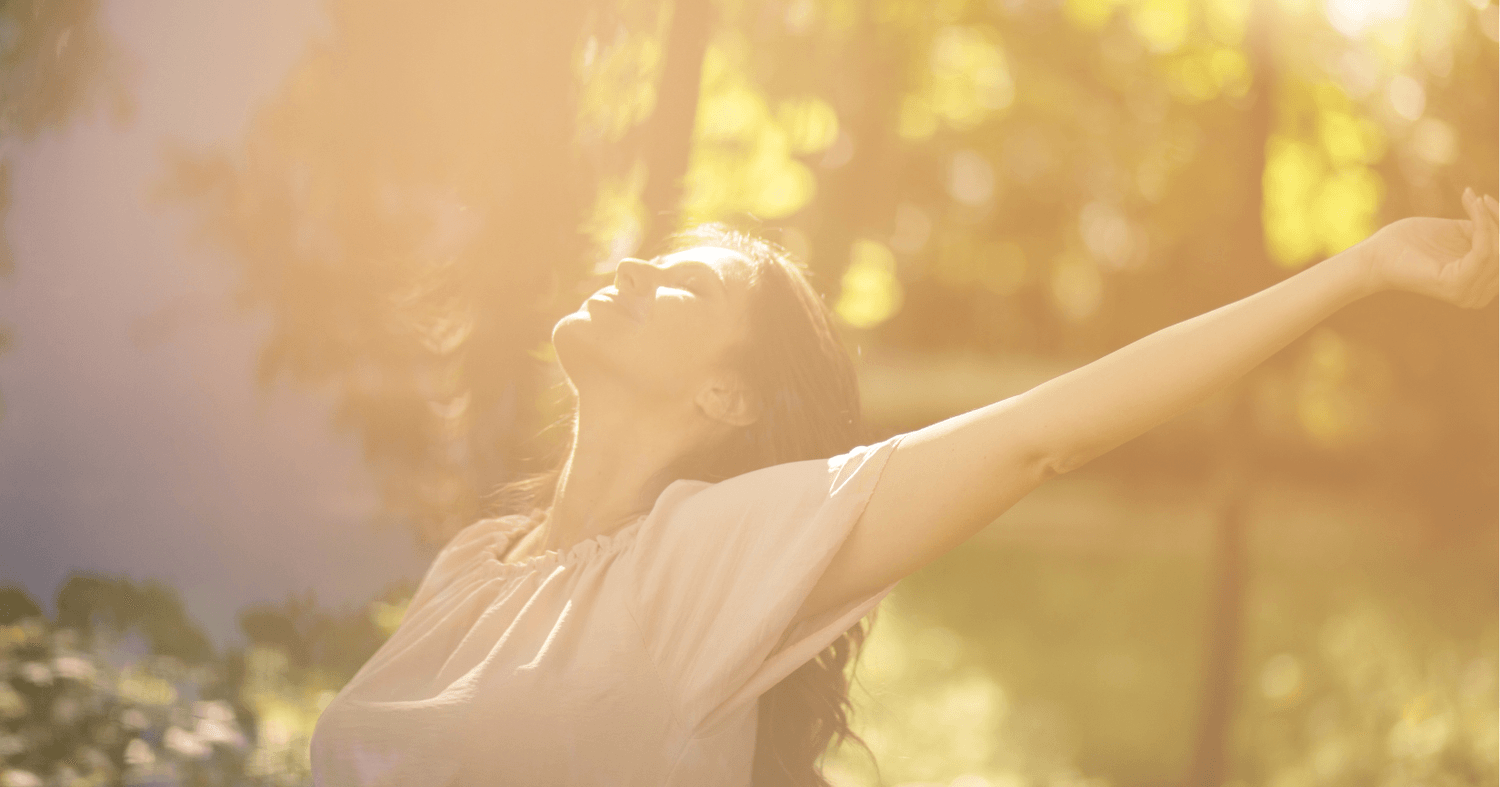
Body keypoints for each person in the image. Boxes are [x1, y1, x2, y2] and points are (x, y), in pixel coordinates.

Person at [309, 189, 1498, 786]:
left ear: (727, 402)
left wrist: (1362, 269)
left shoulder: (703, 561)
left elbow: (1043, 434)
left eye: (684, 286)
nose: (629, 265)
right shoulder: (475, 566)